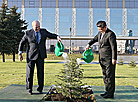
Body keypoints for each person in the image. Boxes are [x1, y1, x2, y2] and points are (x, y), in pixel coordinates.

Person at [18, 20, 62, 95]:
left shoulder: (43, 31)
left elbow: (51, 35)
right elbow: (21, 43)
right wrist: (20, 53)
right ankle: (29, 89)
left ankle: (40, 88)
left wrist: (57, 37)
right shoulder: (28, 33)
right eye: (36, 27)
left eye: (38, 26)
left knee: (40, 73)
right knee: (29, 74)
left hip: (41, 56)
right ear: (32, 26)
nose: (38, 28)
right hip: (31, 56)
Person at [86, 21, 117, 98]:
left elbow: (114, 47)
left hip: (109, 59)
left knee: (110, 76)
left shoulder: (110, 34)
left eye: (101, 29)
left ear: (105, 27)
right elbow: (94, 39)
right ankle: (107, 91)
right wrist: (89, 44)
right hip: (102, 59)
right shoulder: (100, 34)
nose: (99, 30)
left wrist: (114, 58)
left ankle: (110, 93)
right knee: (105, 76)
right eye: (99, 29)